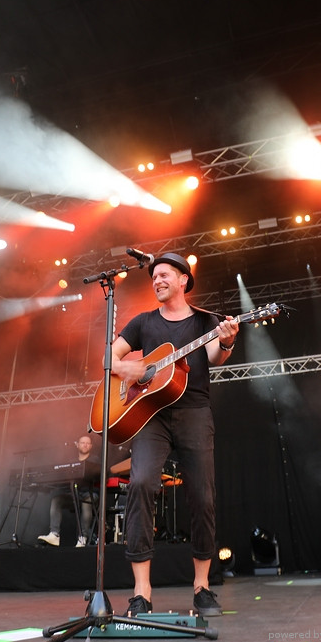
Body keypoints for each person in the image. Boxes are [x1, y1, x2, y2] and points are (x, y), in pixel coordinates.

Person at [110, 252, 238, 618]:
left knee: (203, 496)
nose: (157, 281)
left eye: (164, 275)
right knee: (140, 484)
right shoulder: (142, 322)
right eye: (154, 277)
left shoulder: (205, 321)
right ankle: (141, 592)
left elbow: (215, 355)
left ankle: (202, 587)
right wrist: (131, 369)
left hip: (195, 411)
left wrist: (227, 341)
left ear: (184, 280)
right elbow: (111, 357)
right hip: (151, 415)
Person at [37, 434, 98, 547]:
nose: (85, 445)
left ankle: (83, 537)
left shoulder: (95, 460)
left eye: (88, 443)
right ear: (77, 445)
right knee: (57, 500)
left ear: (91, 446)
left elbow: (96, 477)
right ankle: (54, 534)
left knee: (87, 501)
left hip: (89, 493)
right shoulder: (71, 461)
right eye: (82, 442)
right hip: (74, 494)